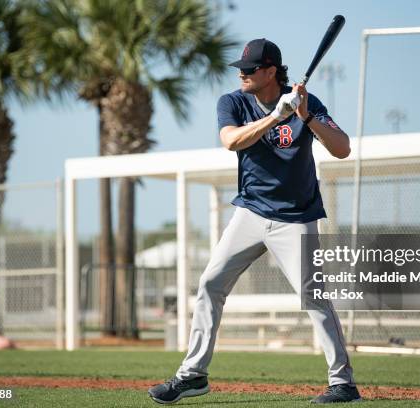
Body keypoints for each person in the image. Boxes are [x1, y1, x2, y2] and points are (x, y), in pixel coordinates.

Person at [148, 38, 360, 405]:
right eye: (241, 69)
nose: (242, 74)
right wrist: (276, 116)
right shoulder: (233, 101)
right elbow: (231, 141)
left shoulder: (308, 104)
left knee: (313, 297)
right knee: (210, 283)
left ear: (271, 71)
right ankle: (192, 375)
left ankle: (343, 383)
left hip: (297, 217)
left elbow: (342, 149)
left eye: (250, 69)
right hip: (250, 211)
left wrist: (306, 115)